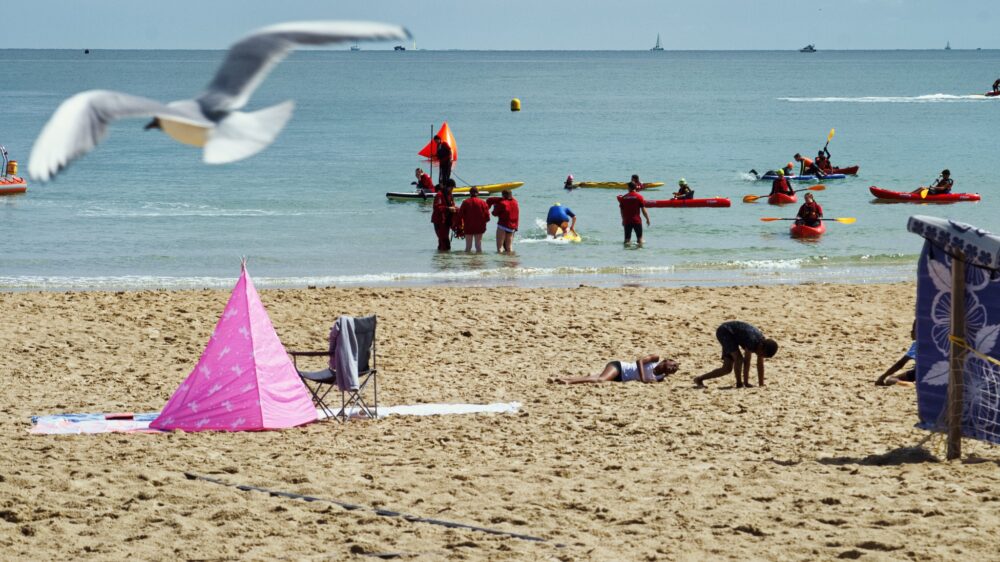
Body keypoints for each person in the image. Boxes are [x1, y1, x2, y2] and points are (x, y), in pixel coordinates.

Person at [694, 321, 779, 389]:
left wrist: (761, 384)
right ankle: (739, 384)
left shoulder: (761, 345)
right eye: (761, 354)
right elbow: (747, 362)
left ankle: (699, 379)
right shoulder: (752, 341)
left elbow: (760, 365)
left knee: (727, 369)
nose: (760, 355)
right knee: (739, 359)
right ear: (761, 347)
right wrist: (746, 383)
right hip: (725, 331)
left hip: (733, 336)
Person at [555, 355, 679, 384]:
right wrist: (643, 379)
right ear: (666, 360)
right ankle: (569, 382)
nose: (673, 368)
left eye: (674, 369)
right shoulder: (655, 359)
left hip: (621, 378)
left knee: (595, 378)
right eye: (673, 364)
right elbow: (639, 361)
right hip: (619, 367)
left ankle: (566, 378)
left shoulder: (660, 377)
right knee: (600, 380)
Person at [876, 321, 917, 386]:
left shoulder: (917, 346)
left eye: (913, 330)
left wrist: (882, 377)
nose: (911, 332)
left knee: (891, 380)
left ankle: (913, 385)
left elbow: (900, 364)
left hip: (920, 373)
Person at [457, 186, 490, 252]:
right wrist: (483, 222)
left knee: (468, 247)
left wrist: (461, 224)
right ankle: (479, 261)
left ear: (470, 193)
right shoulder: (483, 202)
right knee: (478, 246)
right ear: (477, 193)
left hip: (468, 226)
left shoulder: (465, 202)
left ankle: (468, 261)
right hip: (479, 227)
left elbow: (460, 215)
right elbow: (487, 217)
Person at [617, 181, 650, 246]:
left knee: (627, 240)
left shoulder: (624, 198)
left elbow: (621, 210)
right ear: (635, 187)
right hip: (637, 221)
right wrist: (647, 219)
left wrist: (623, 220)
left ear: (629, 188)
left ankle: (626, 254)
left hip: (627, 221)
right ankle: (639, 254)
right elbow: (643, 210)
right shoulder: (639, 197)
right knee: (639, 239)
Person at [487, 189, 519, 253]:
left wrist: (495, 206)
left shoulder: (502, 203)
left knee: (500, 247)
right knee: (509, 247)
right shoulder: (515, 202)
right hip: (512, 226)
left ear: (503, 195)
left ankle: (501, 261)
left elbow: (494, 213)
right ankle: (509, 261)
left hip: (502, 225)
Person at [431, 179, 457, 251]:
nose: (452, 190)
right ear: (447, 187)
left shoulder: (450, 195)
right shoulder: (439, 195)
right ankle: (443, 259)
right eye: (451, 188)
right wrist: (448, 208)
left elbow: (453, 205)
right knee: (444, 241)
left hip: (446, 221)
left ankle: (441, 259)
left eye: (453, 188)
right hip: (438, 221)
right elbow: (436, 207)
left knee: (444, 242)